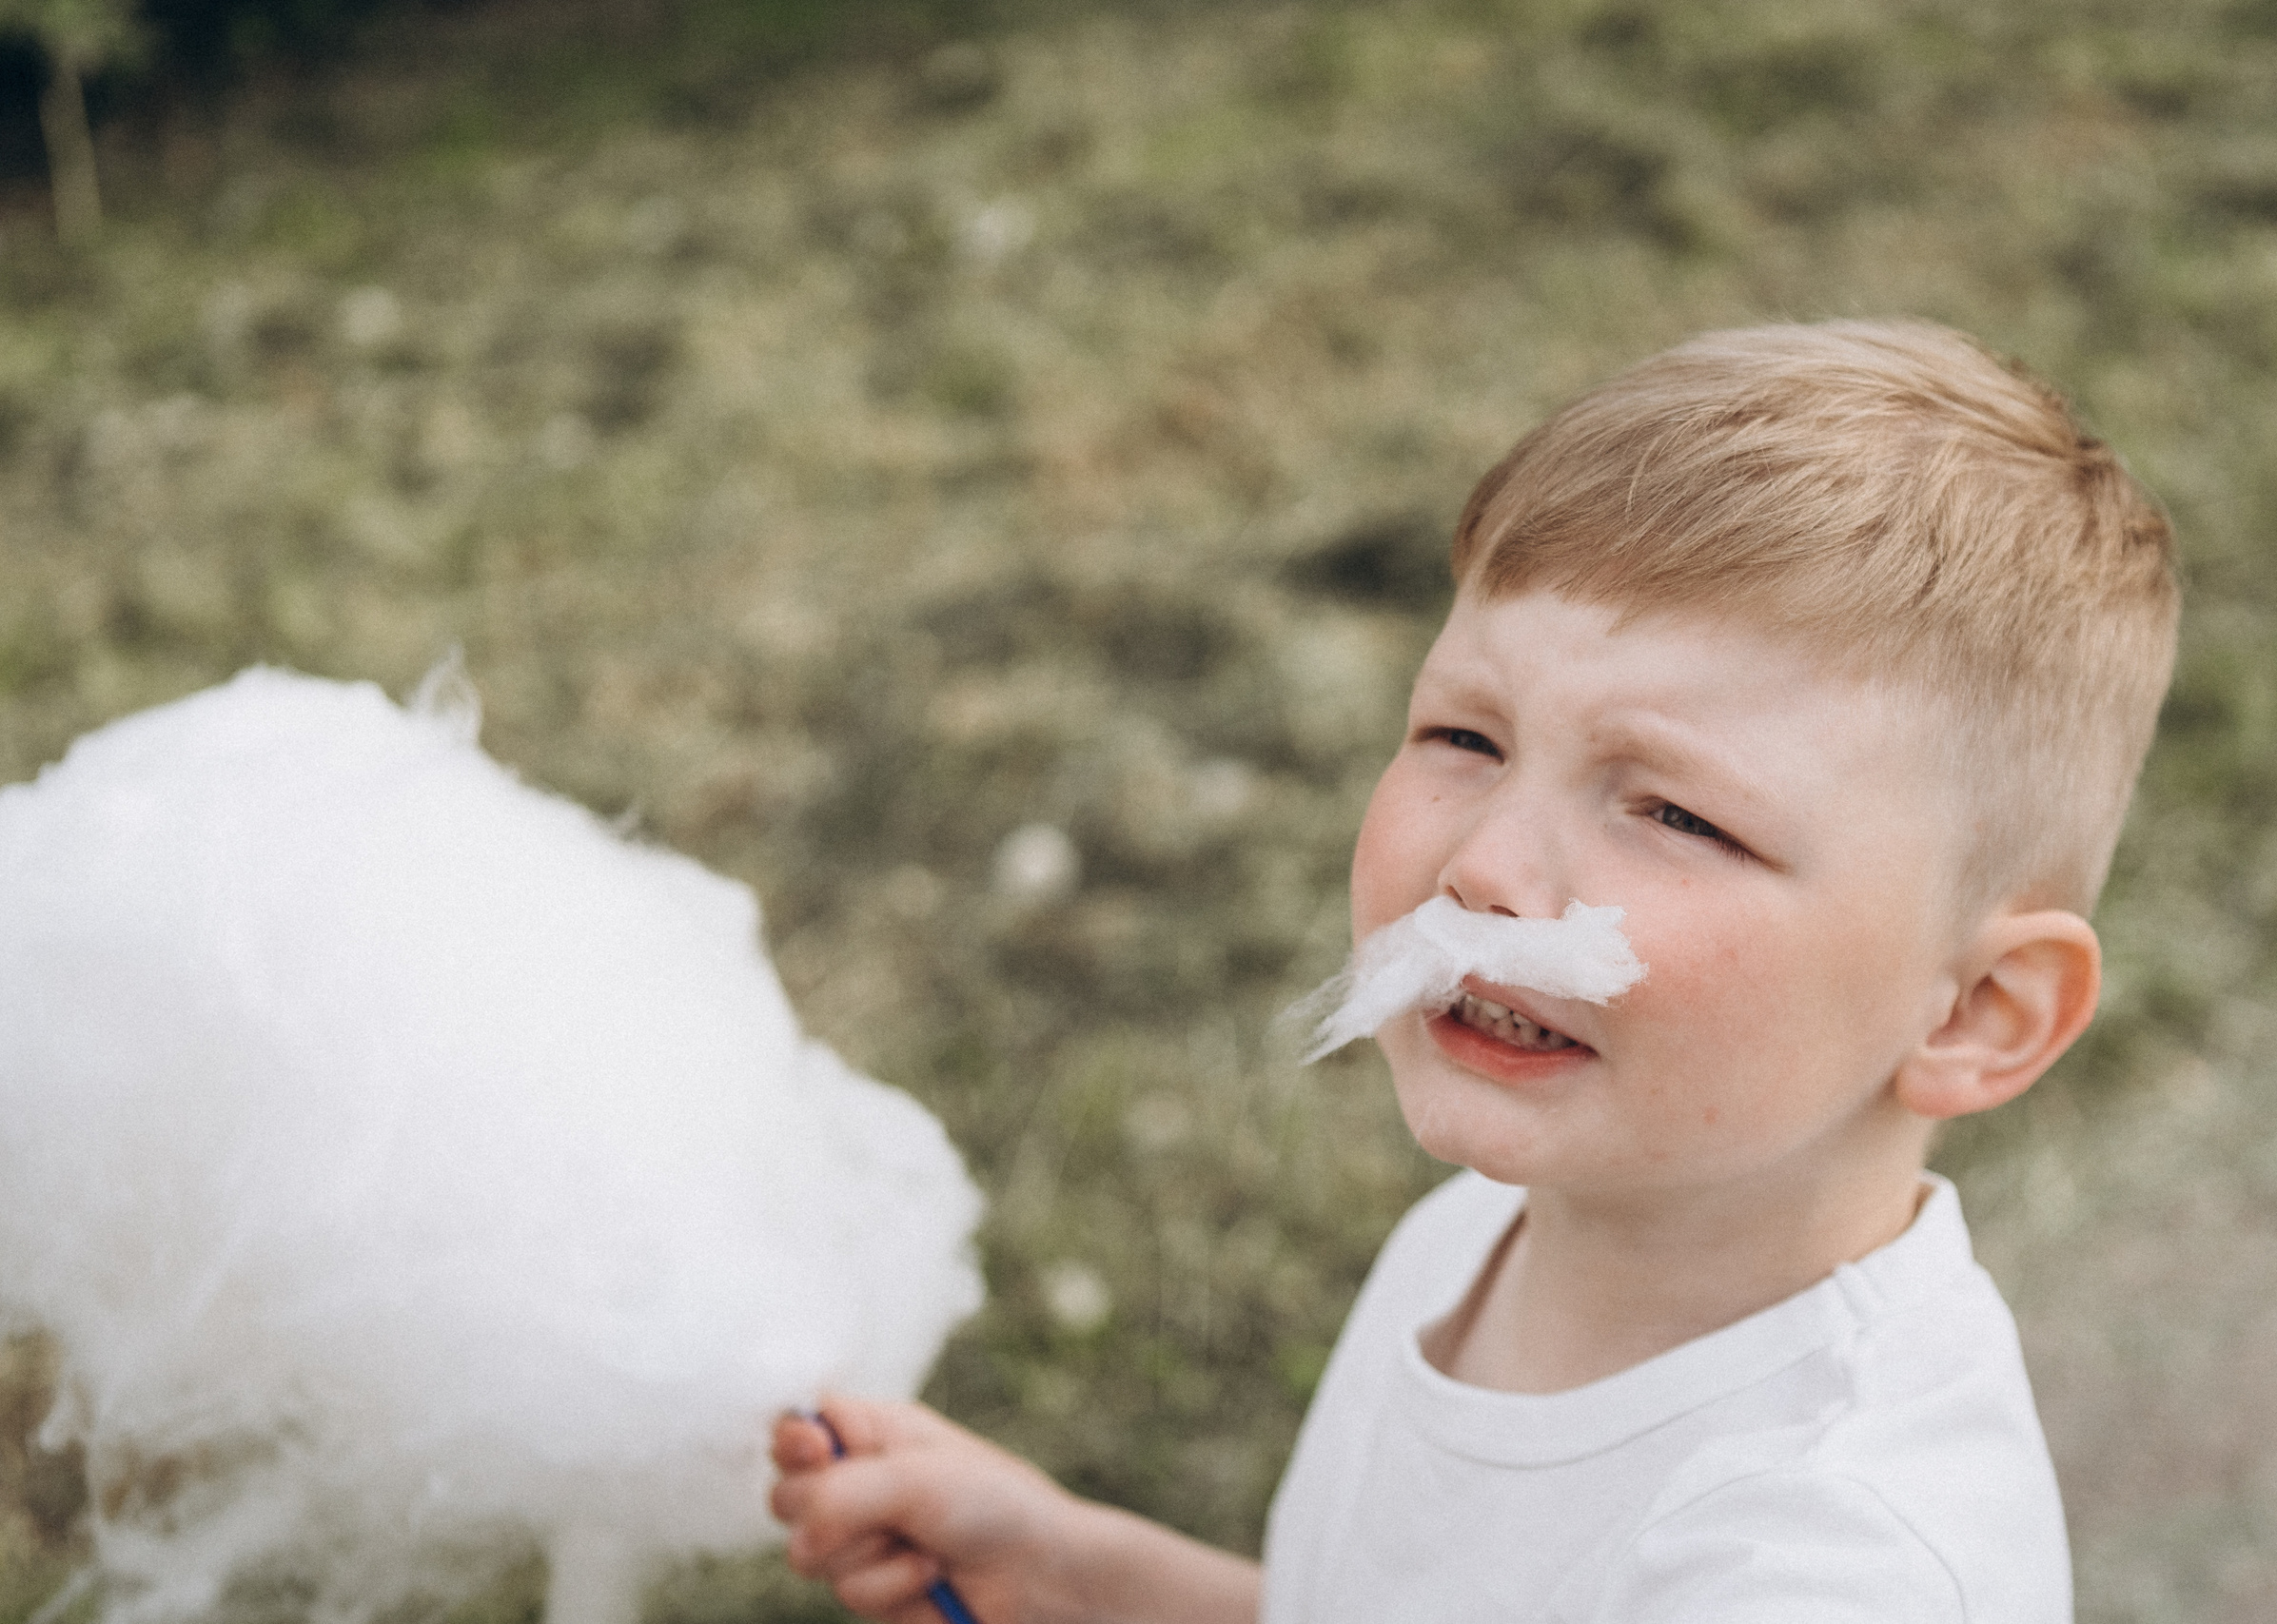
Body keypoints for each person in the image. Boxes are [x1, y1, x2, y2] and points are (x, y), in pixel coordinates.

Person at [768, 319, 2179, 1623]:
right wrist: (1086, 1575)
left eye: (1678, 814)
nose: (1482, 868)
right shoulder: (1487, 1232)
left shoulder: (1824, 1565)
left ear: (1977, 1016)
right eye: (1466, 740)